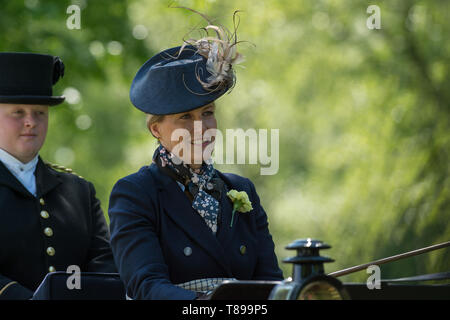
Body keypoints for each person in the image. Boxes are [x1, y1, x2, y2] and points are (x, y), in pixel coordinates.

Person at [108, 15, 283, 300]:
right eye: (185, 117)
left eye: (208, 113)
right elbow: (147, 287)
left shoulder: (242, 190)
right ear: (156, 129)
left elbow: (270, 286)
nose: (200, 127)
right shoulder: (135, 193)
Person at [0, 52, 116, 300]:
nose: (31, 121)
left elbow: (104, 265)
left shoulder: (79, 191)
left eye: (40, 112)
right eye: (18, 112)